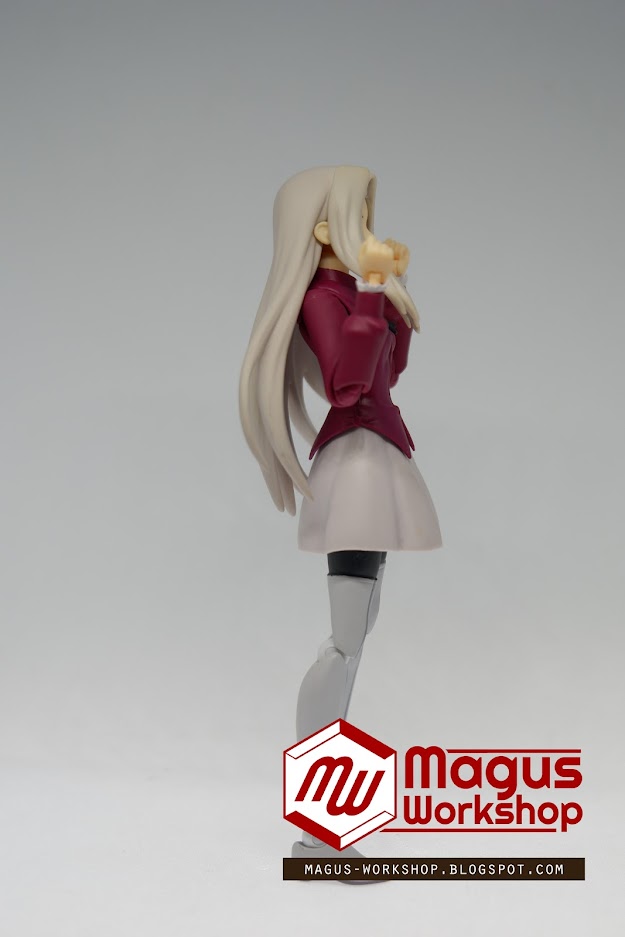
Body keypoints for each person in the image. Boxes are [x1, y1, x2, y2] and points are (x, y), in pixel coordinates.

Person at [239, 166, 442, 859]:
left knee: (355, 639)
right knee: (344, 643)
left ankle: (329, 827)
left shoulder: (351, 292)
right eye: (360, 216)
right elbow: (346, 382)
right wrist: (371, 290)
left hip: (377, 453)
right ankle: (319, 830)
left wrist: (391, 297)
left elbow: (389, 372)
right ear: (326, 228)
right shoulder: (322, 297)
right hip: (354, 465)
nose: (369, 229)